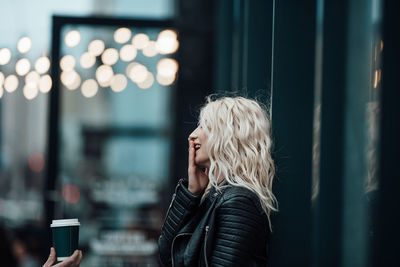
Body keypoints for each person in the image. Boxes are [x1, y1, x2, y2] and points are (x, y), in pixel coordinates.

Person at [158, 96, 278, 266]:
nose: (192, 135)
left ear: (230, 135)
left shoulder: (238, 202)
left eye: (205, 126)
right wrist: (190, 194)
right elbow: (167, 255)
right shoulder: (216, 195)